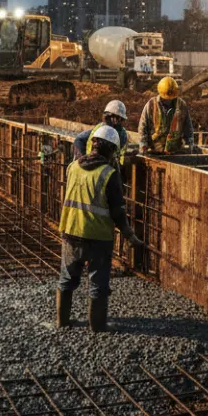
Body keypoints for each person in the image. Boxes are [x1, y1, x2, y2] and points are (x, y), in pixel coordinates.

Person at [57, 125, 145, 332]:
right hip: (98, 237)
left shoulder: (73, 167)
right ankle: (97, 326)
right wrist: (130, 236)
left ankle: (62, 322)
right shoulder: (109, 174)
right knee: (98, 283)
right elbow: (117, 212)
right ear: (112, 150)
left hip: (71, 231)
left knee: (67, 279)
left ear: (93, 144)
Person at [138, 76, 194, 155]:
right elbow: (143, 126)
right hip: (155, 149)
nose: (168, 100)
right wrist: (143, 145)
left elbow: (188, 127)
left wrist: (190, 143)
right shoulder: (151, 104)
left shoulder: (182, 105)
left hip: (175, 150)